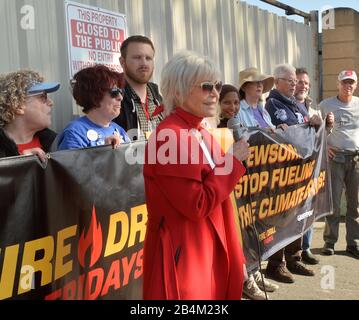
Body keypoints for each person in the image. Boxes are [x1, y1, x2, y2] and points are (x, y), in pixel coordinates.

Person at [142, 51, 250, 300]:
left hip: (209, 249)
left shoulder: (199, 129)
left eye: (217, 85)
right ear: (178, 91)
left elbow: (221, 200)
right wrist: (232, 162)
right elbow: (197, 204)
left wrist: (236, 256)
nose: (215, 93)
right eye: (205, 86)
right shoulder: (169, 136)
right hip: (187, 257)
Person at [265, 63, 319, 283]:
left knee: (299, 216)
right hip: (283, 173)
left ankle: (294, 256)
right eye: (290, 80)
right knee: (282, 220)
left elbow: (303, 128)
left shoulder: (297, 104)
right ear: (277, 81)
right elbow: (287, 133)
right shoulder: (273, 104)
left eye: (295, 81)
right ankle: (276, 264)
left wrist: (315, 123)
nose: (294, 84)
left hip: (301, 171)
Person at [236, 67, 280, 300]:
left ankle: (255, 269)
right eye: (255, 82)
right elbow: (242, 137)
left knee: (260, 225)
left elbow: (270, 135)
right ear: (245, 87)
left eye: (261, 82)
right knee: (247, 226)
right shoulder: (239, 110)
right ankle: (247, 277)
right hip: (247, 176)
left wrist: (277, 130)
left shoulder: (261, 109)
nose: (260, 85)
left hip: (263, 175)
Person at [320, 70, 359, 259]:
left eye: (351, 83)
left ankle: (354, 243)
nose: (348, 86)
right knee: (334, 202)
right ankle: (330, 242)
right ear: (338, 84)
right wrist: (324, 145)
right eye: (344, 82)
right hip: (336, 159)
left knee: (355, 204)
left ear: (356, 85)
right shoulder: (326, 105)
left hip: (356, 159)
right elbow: (315, 129)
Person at [57, 65, 129, 150]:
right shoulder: (75, 132)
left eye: (121, 92)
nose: (120, 97)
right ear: (94, 96)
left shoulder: (119, 130)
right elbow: (72, 163)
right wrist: (104, 151)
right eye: (114, 92)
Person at [0, 70, 60, 161]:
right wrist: (21, 164)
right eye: (43, 96)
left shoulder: (55, 143)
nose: (51, 102)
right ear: (18, 106)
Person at [294, 67, 321, 265]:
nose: (303, 85)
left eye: (306, 83)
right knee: (295, 210)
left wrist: (325, 126)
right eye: (299, 82)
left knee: (310, 206)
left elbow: (321, 138)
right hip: (293, 169)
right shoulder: (285, 107)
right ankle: (293, 252)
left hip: (310, 167)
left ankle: (306, 248)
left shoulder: (314, 110)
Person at [114, 35, 163, 140]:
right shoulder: (112, 98)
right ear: (122, 62)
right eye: (137, 57)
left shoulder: (158, 99)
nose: (144, 63)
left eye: (148, 58)